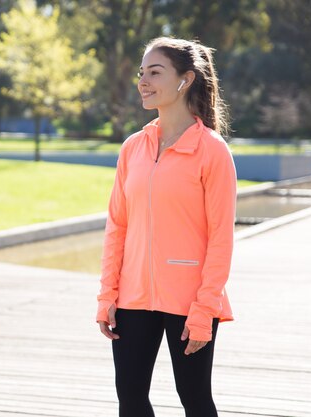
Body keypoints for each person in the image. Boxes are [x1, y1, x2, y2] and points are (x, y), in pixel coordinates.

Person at [96, 36, 237, 417]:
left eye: (155, 72)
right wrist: (107, 294)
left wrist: (205, 308)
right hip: (132, 296)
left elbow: (221, 238)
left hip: (189, 300)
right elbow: (117, 227)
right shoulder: (133, 148)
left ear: (185, 79)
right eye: (142, 72)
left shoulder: (212, 151)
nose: (143, 80)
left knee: (194, 398)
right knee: (130, 397)